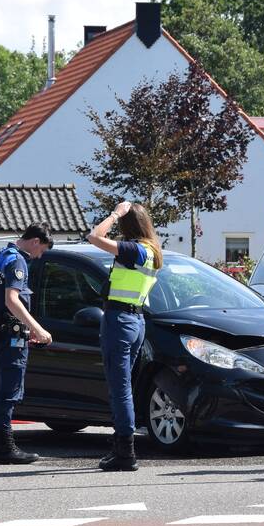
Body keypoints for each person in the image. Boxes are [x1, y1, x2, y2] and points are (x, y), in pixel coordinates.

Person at [88, 201, 163, 472]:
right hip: (136, 321)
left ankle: (125, 451)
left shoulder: (134, 250)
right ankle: (123, 448)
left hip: (119, 321)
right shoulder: (152, 250)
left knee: (119, 389)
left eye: (122, 223)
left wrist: (114, 213)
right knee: (124, 388)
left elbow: (94, 237)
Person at [0, 223, 54, 465]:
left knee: (5, 388)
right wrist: (37, 328)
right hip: (9, 334)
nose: (40, 255)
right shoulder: (18, 261)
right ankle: (5, 448)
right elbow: (12, 299)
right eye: (42, 249)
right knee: (10, 392)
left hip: (0, 330)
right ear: (35, 241)